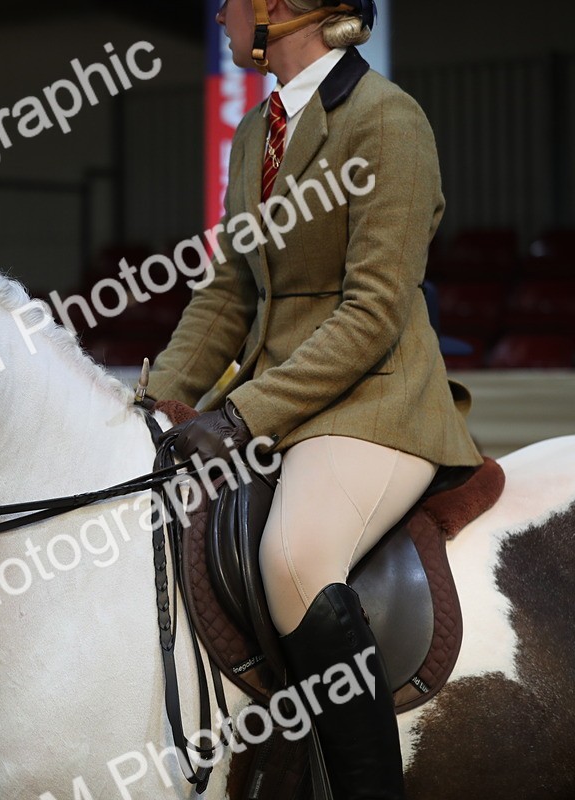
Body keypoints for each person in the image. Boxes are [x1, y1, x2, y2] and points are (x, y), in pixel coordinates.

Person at [147, 1, 483, 798]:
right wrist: (159, 406)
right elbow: (230, 292)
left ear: (285, 8)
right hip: (282, 407)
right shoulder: (254, 133)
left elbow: (373, 312)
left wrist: (240, 415)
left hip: (375, 404)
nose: (221, 9)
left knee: (293, 560)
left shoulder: (387, 121)